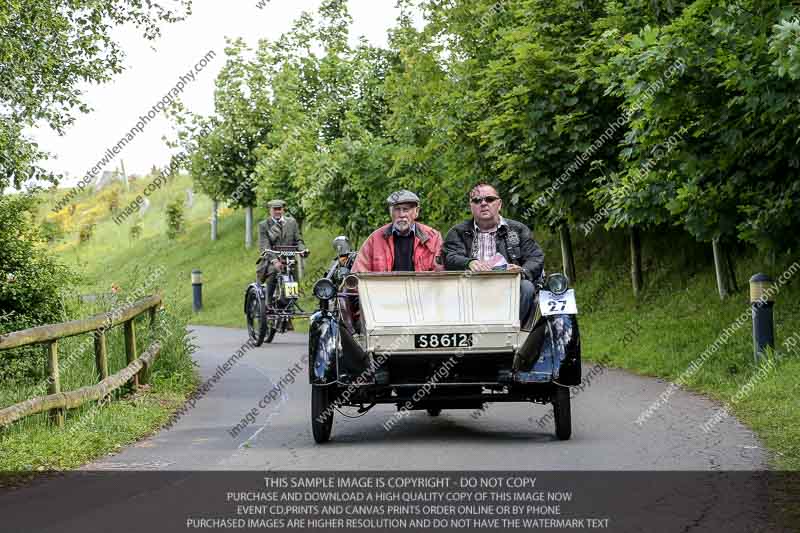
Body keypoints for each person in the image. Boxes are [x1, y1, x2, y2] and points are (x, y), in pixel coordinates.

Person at [443, 182, 544, 325]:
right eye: (477, 200)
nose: (483, 203)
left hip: (509, 287)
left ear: (499, 204)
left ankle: (511, 330)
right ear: (471, 206)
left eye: (489, 199)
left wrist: (522, 271)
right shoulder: (457, 232)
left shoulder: (518, 229)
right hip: (470, 288)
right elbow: (449, 257)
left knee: (526, 287)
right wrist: (468, 262)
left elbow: (536, 257)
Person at [352, 190, 444, 273]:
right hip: (386, 287)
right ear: (390, 212)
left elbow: (441, 275)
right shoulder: (375, 239)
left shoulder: (433, 238)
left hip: (421, 287)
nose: (401, 215)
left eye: (406, 209)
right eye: (397, 209)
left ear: (417, 211)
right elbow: (358, 273)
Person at [257, 199, 306, 304]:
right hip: (271, 261)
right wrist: (275, 261)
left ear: (283, 210)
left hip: (289, 260)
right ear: (270, 210)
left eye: (279, 209)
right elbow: (264, 245)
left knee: (294, 285)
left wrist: (302, 250)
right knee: (274, 271)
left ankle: (288, 303)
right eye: (275, 209)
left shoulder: (292, 222)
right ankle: (268, 302)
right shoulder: (264, 225)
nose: (277, 212)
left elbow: (298, 240)